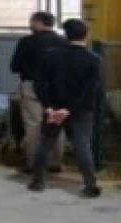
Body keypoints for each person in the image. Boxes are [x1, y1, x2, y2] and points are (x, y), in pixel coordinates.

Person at [31, 19, 102, 198]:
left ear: (66, 34)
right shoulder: (93, 59)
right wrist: (69, 109)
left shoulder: (50, 55)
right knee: (82, 145)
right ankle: (90, 184)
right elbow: (90, 90)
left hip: (54, 108)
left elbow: (39, 84)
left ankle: (38, 181)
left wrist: (48, 107)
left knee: (46, 143)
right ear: (86, 35)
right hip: (81, 110)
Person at [9, 11, 67, 173]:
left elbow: (14, 66)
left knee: (33, 124)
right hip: (56, 87)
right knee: (56, 122)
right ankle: (55, 162)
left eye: (32, 22)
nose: (30, 25)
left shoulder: (26, 42)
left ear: (38, 23)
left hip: (31, 86)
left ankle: (34, 164)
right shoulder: (63, 42)